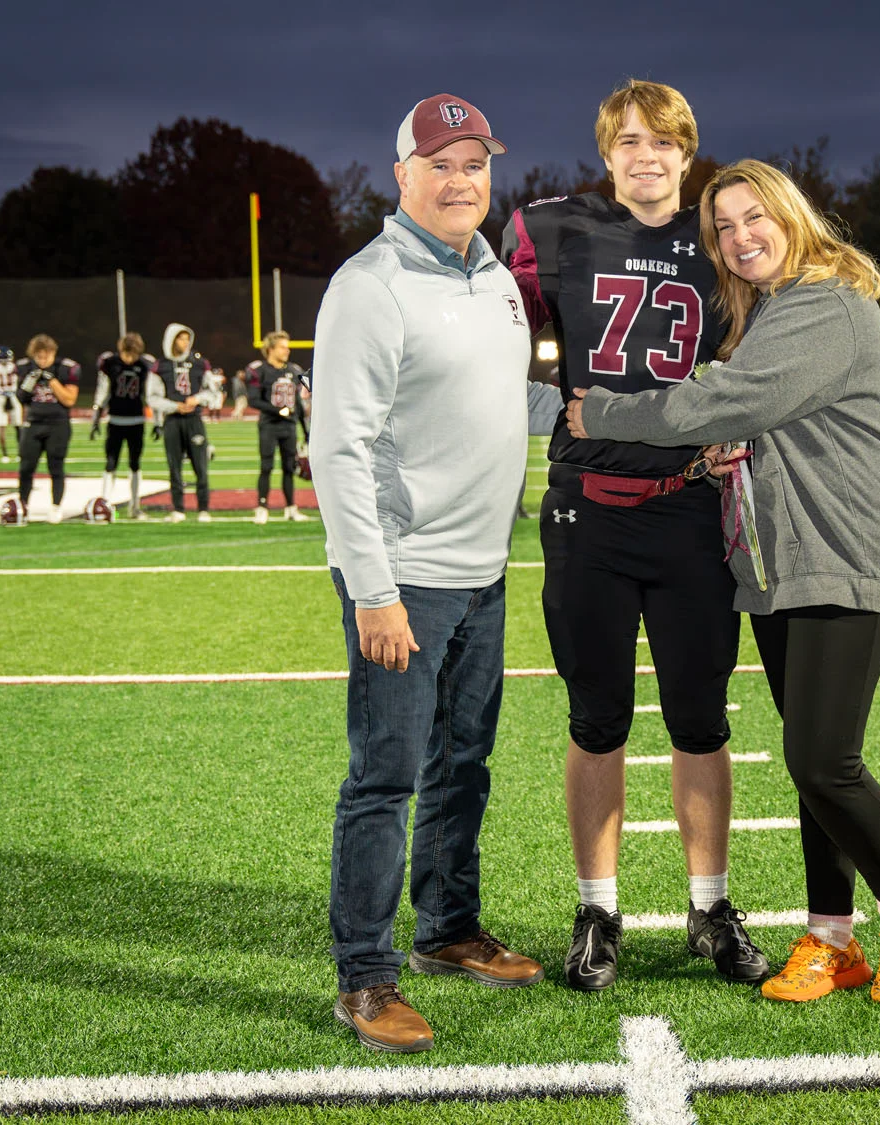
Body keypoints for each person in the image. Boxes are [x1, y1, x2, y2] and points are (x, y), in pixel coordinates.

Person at [568, 158, 880, 1006]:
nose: (740, 238)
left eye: (753, 218)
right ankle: (831, 937)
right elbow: (763, 424)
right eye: (724, 229)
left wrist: (605, 409)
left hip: (847, 553)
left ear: (790, 214)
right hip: (786, 559)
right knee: (818, 766)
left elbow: (722, 400)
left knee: (821, 757)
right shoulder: (776, 310)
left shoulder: (825, 301)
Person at [501, 79, 767, 992]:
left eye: (662, 143)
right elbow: (492, 344)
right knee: (596, 716)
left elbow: (766, 353)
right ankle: (598, 908)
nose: (645, 157)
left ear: (687, 154)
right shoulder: (553, 231)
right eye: (628, 142)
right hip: (587, 508)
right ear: (606, 152)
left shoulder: (723, 238)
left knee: (701, 717)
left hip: (691, 505)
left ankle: (710, 905)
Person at [312, 92, 557, 1056]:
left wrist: (590, 407)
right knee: (384, 778)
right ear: (403, 173)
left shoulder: (490, 269)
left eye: (477, 164)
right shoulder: (370, 286)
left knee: (464, 764)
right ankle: (365, 977)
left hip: (484, 567)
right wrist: (372, 588)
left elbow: (504, 400)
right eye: (442, 164)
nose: (462, 182)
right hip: (406, 577)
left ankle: (447, 930)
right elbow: (340, 447)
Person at [147, 322, 219, 523]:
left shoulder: (199, 363)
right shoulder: (160, 366)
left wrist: (196, 399)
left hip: (194, 419)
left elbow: (213, 392)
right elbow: (152, 398)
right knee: (174, 466)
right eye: (181, 338)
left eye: (187, 338)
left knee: (201, 466)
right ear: (171, 339)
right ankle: (178, 509)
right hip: (173, 421)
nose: (185, 342)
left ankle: (203, 508)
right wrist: (174, 406)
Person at [14, 334, 80, 524]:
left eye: (46, 355)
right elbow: (21, 398)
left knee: (56, 467)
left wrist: (52, 381)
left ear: (53, 353)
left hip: (57, 424)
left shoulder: (65, 368)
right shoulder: (26, 368)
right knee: (26, 467)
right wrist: (31, 380)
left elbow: (69, 399)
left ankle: (55, 508)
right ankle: (23, 506)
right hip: (33, 423)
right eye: (38, 356)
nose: (42, 360)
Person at [245, 331, 310, 523]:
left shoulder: (293, 369)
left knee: (289, 468)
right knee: (267, 466)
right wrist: (277, 410)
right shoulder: (260, 370)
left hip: (289, 426)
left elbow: (297, 403)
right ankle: (262, 507)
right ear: (270, 349)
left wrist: (306, 432)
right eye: (282, 347)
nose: (287, 350)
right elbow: (254, 400)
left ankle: (290, 507)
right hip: (269, 425)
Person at [92, 333, 155, 519]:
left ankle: (134, 506)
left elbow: (149, 393)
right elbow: (102, 391)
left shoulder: (145, 364)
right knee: (110, 463)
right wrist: (96, 417)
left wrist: (157, 421)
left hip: (136, 420)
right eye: (127, 354)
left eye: (133, 355)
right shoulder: (110, 363)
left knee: (135, 464)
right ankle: (105, 505)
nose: (129, 359)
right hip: (115, 420)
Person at [0, 345, 22, 463]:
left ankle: (5, 455)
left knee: (2, 428)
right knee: (18, 427)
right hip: (13, 396)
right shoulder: (16, 368)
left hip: (0, 397)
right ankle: (20, 454)